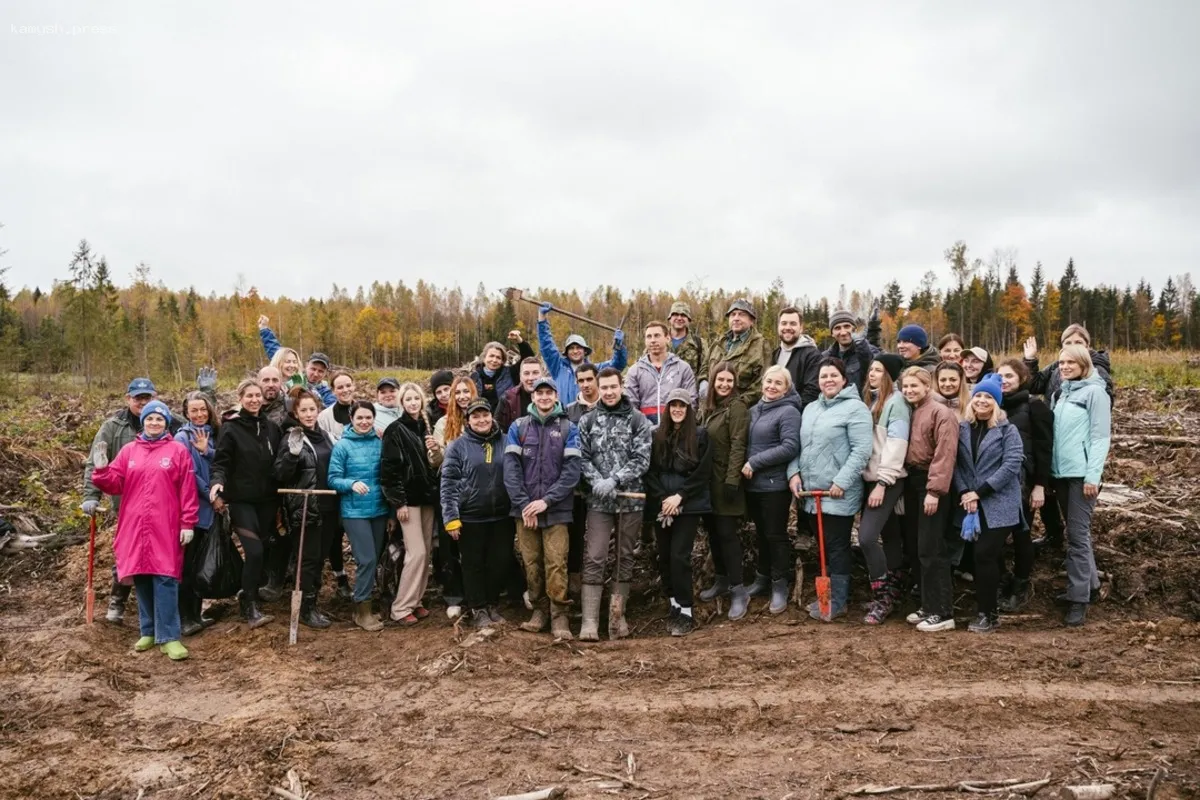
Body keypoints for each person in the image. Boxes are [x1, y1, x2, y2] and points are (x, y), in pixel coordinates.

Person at [91, 400, 199, 661]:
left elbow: (188, 489)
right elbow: (114, 484)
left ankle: (169, 636)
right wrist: (102, 470)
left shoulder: (177, 451)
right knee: (141, 576)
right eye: (150, 418)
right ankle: (148, 630)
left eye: (159, 419)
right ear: (143, 422)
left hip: (165, 525)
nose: (154, 423)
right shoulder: (129, 451)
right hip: (134, 525)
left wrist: (187, 522)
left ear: (166, 423)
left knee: (165, 577)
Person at [787, 357, 873, 621]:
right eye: (824, 376)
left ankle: (839, 600)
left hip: (837, 492)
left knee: (836, 546)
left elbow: (861, 450)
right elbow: (798, 446)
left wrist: (841, 481)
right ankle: (826, 596)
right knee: (822, 544)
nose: (828, 380)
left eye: (833, 375)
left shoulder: (856, 409)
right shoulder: (811, 408)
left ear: (844, 379)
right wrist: (793, 473)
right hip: (811, 494)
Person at [577, 367, 653, 641]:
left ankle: (617, 616)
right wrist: (598, 481)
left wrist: (616, 479)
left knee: (625, 555)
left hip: (631, 501)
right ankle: (589, 621)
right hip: (599, 501)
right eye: (605, 387)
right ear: (599, 388)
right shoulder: (587, 420)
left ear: (621, 387)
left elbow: (642, 459)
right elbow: (582, 457)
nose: (609, 392)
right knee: (595, 555)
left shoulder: (638, 420)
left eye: (613, 387)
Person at [503, 376, 582, 639]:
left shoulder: (569, 428)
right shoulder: (519, 427)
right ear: (533, 396)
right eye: (540, 393)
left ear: (556, 396)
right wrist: (525, 505)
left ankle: (560, 615)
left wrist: (546, 501)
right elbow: (511, 469)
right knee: (531, 562)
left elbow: (571, 473)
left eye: (549, 392)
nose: (544, 397)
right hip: (525, 511)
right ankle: (539, 611)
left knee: (556, 562)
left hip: (556, 510)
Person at [81, 376, 162, 623]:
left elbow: (199, 423)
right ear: (128, 398)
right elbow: (95, 462)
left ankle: (163, 604)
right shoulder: (113, 427)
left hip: (161, 503)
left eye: (147, 397)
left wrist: (206, 395)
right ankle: (118, 602)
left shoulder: (164, 420)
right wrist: (91, 495)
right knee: (128, 552)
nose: (143, 402)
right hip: (127, 504)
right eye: (138, 398)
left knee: (161, 553)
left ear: (154, 397)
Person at [953, 375, 1025, 634]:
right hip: (970, 502)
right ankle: (989, 603)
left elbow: (1011, 465)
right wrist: (965, 491)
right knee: (978, 557)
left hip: (999, 502)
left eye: (988, 397)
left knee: (984, 554)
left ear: (997, 402)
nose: (982, 401)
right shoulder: (962, 428)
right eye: (978, 396)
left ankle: (988, 614)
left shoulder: (1007, 430)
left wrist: (979, 492)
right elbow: (956, 465)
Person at [210, 379, 283, 628]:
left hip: (268, 500)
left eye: (257, 395)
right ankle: (248, 605)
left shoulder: (271, 427)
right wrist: (217, 482)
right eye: (249, 396)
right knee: (254, 551)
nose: (254, 400)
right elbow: (221, 461)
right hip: (242, 500)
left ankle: (250, 590)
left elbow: (279, 461)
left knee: (267, 548)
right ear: (240, 398)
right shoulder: (231, 428)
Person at [1049, 344, 1111, 627]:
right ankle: (1091, 586)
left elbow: (1100, 437)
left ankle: (1078, 600)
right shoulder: (1061, 393)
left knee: (1076, 536)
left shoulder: (1095, 393)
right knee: (1077, 534)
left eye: (1071, 363)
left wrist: (1092, 476)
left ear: (1084, 364)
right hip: (1061, 474)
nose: (1065, 367)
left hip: (1082, 477)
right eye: (1061, 363)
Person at [441, 398, 512, 628]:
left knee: (499, 562)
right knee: (473, 564)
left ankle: (491, 603)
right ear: (468, 420)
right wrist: (451, 517)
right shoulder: (457, 446)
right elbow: (448, 483)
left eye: (485, 415)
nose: (481, 420)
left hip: (501, 515)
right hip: (471, 516)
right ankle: (477, 607)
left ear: (491, 416)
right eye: (476, 416)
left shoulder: (506, 441)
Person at [647, 389, 713, 636]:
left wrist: (680, 496)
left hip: (689, 504)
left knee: (679, 556)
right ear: (667, 409)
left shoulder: (700, 435)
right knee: (664, 554)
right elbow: (650, 471)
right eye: (673, 405)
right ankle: (673, 601)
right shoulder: (657, 435)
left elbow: (703, 472)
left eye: (682, 406)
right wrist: (663, 499)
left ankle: (686, 609)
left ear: (688, 409)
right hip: (663, 504)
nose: (677, 409)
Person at [899, 367, 960, 633]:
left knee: (932, 547)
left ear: (927, 386)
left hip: (931, 484)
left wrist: (934, 491)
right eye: (906, 386)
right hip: (912, 481)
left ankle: (943, 611)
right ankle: (928, 604)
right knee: (918, 546)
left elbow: (945, 455)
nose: (909, 390)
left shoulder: (941, 413)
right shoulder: (912, 410)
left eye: (914, 385)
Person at [272, 388, 338, 629]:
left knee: (320, 558)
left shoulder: (328, 436)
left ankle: (314, 603)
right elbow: (280, 474)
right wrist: (292, 454)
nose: (309, 414)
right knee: (307, 560)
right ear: (296, 413)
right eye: (304, 410)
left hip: (330, 507)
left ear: (318, 410)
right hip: (306, 508)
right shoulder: (293, 437)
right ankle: (305, 609)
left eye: (312, 409)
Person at [742, 365, 803, 614]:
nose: (772, 386)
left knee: (775, 535)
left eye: (778, 383)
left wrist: (754, 462)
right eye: (769, 381)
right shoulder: (754, 410)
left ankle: (780, 584)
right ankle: (762, 577)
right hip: (753, 486)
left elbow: (790, 446)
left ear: (787, 388)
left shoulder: (789, 412)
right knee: (761, 534)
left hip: (774, 485)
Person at [380, 383, 440, 625]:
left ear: (422, 401)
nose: (413, 403)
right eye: (408, 399)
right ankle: (401, 607)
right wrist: (399, 502)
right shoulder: (395, 430)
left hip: (427, 498)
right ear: (402, 403)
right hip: (409, 501)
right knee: (416, 553)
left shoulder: (425, 427)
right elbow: (390, 470)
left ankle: (416, 600)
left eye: (416, 398)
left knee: (426, 553)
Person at [858, 354, 911, 624]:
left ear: (889, 375)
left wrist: (882, 483)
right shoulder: (874, 401)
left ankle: (882, 595)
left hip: (886, 480)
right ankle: (896, 588)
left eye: (878, 370)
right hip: (873, 478)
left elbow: (897, 445)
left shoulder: (896, 403)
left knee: (867, 537)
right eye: (871, 369)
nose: (872, 374)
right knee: (890, 535)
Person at [997, 359, 1052, 612]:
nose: (1004, 381)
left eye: (1009, 376)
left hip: (1024, 482)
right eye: (1000, 376)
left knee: (1021, 533)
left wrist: (1040, 485)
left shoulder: (1034, 406)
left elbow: (1044, 449)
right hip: (996, 481)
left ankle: (1020, 584)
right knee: (994, 536)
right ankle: (1002, 579)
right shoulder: (992, 404)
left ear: (1022, 379)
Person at [328, 400, 388, 632]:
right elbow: (333, 478)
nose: (364, 422)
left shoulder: (380, 442)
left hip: (379, 510)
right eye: (359, 418)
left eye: (368, 417)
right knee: (367, 559)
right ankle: (362, 610)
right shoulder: (342, 446)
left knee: (375, 558)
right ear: (351, 419)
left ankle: (364, 606)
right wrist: (351, 483)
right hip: (354, 512)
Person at [697, 362, 750, 620]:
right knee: (714, 535)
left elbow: (739, 444)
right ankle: (721, 579)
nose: (724, 385)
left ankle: (739, 590)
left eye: (729, 380)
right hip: (708, 482)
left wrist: (732, 480)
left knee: (727, 535)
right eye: (720, 380)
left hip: (726, 481)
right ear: (713, 381)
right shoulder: (709, 408)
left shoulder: (736, 407)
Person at [173, 391, 220, 636]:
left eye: (203, 409)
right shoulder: (182, 438)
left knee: (200, 563)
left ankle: (196, 613)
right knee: (188, 565)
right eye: (194, 410)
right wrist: (210, 494)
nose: (200, 414)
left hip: (211, 508)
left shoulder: (214, 434)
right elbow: (188, 474)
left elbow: (221, 463)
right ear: (186, 413)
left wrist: (208, 452)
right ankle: (184, 617)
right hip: (193, 509)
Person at [432, 375, 478, 619]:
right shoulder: (443, 423)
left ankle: (476, 594)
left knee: (473, 545)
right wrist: (434, 452)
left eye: (466, 391)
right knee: (449, 545)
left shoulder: (482, 417)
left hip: (477, 492)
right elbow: (436, 462)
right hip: (451, 491)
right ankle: (454, 595)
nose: (462, 396)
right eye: (457, 392)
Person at [537, 302, 627, 406]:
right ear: (566, 352)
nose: (575, 351)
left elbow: (617, 364)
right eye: (571, 348)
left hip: (591, 414)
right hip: (563, 415)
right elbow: (547, 345)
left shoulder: (596, 370)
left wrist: (619, 347)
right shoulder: (558, 367)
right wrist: (542, 318)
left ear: (585, 351)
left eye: (578, 347)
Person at [564, 362, 601, 597]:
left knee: (599, 535)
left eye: (589, 379)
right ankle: (574, 575)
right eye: (581, 380)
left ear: (597, 379)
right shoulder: (569, 411)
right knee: (575, 532)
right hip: (577, 485)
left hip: (602, 485)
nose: (586, 384)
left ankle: (597, 580)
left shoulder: (608, 407)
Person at [624, 321, 698, 426]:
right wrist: (646, 427)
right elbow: (630, 405)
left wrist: (677, 426)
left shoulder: (682, 368)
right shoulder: (635, 370)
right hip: (645, 431)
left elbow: (691, 401)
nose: (653, 340)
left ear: (668, 338)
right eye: (649, 337)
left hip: (676, 429)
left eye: (657, 335)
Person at [704, 298, 774, 406]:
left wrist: (739, 403)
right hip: (711, 406)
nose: (736, 318)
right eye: (733, 314)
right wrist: (703, 384)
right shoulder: (718, 343)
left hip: (740, 409)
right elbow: (704, 368)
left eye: (741, 314)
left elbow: (763, 381)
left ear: (751, 321)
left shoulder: (761, 346)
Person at [1023, 324, 1115, 401]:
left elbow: (1103, 404)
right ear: (1062, 346)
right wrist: (1030, 360)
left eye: (1078, 342)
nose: (1073, 346)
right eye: (1068, 343)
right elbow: (1033, 386)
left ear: (1087, 346)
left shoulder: (1096, 370)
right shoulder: (1056, 366)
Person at [258, 315, 335, 405]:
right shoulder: (295, 378)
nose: (315, 374)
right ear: (306, 365)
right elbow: (275, 351)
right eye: (313, 369)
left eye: (321, 371)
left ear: (326, 373)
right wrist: (264, 329)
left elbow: (329, 407)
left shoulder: (321, 390)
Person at [772, 306, 821, 412]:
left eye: (793, 324)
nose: (787, 327)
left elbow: (812, 391)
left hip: (797, 414)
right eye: (784, 323)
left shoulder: (812, 355)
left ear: (801, 328)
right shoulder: (775, 354)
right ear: (778, 326)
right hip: (773, 413)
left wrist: (790, 412)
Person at [825, 306, 882, 395]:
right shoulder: (825, 357)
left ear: (854, 329)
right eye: (837, 328)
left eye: (847, 326)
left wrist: (861, 344)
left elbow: (871, 369)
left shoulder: (870, 350)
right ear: (832, 333)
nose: (843, 332)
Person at [472, 333, 536, 411]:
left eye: (498, 357)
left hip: (506, 417)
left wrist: (519, 341)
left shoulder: (511, 373)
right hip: (481, 417)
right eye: (491, 356)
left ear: (503, 361)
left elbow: (529, 357)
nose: (494, 360)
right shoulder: (474, 377)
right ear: (484, 357)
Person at [497, 357, 543, 433]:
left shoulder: (552, 397)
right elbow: (498, 430)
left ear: (542, 374)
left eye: (535, 373)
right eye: (526, 373)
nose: (531, 378)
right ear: (520, 376)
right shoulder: (507, 399)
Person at [667, 301, 705, 383]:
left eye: (683, 315)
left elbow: (706, 369)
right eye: (675, 314)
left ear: (689, 320)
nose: (679, 318)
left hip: (690, 389)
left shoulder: (699, 343)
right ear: (669, 318)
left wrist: (703, 383)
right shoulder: (658, 341)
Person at [317, 371, 356, 443]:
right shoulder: (324, 417)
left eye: (348, 385)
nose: (345, 390)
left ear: (353, 386)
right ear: (333, 391)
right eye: (340, 387)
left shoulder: (367, 411)